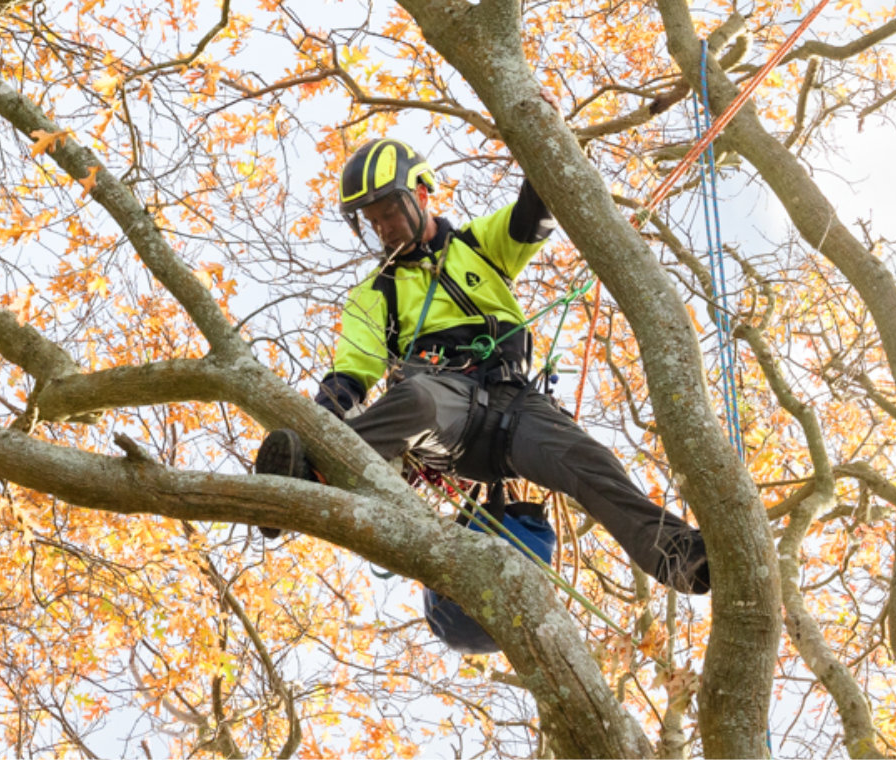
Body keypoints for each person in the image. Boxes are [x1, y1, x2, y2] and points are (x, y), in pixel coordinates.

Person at [256, 138, 711, 605]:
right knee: (418, 400)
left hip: (516, 407)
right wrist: (318, 427)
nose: (384, 229)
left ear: (421, 194)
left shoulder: (476, 245)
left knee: (587, 460)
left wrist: (542, 137)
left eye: (389, 213)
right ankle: (311, 477)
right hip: (447, 417)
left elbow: (533, 213)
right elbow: (349, 376)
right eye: (372, 222)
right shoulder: (374, 294)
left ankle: (677, 555)